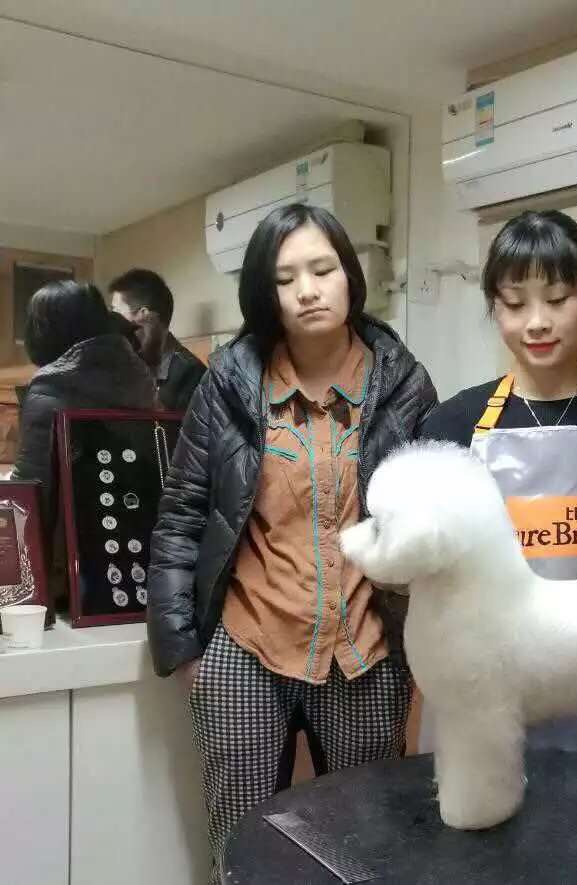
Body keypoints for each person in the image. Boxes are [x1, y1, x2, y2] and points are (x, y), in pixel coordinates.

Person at [146, 204, 437, 879]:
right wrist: (184, 651)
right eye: (285, 278)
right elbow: (181, 515)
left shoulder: (404, 382)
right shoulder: (229, 380)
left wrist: (425, 646)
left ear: (350, 276)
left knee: (369, 852)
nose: (307, 290)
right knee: (242, 851)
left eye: (322, 269)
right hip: (247, 646)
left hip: (365, 651)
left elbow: (431, 525)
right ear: (265, 293)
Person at [418, 209, 577, 755]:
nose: (537, 322)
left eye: (557, 299)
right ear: (494, 307)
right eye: (515, 304)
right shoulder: (451, 426)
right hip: (482, 691)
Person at [12, 281, 157, 604]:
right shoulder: (139, 377)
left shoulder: (50, 388)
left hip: (69, 575)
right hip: (139, 558)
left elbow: (30, 498)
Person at [110, 268, 207, 413]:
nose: (112, 319)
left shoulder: (191, 373)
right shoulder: (126, 363)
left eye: (116, 311)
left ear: (144, 314)